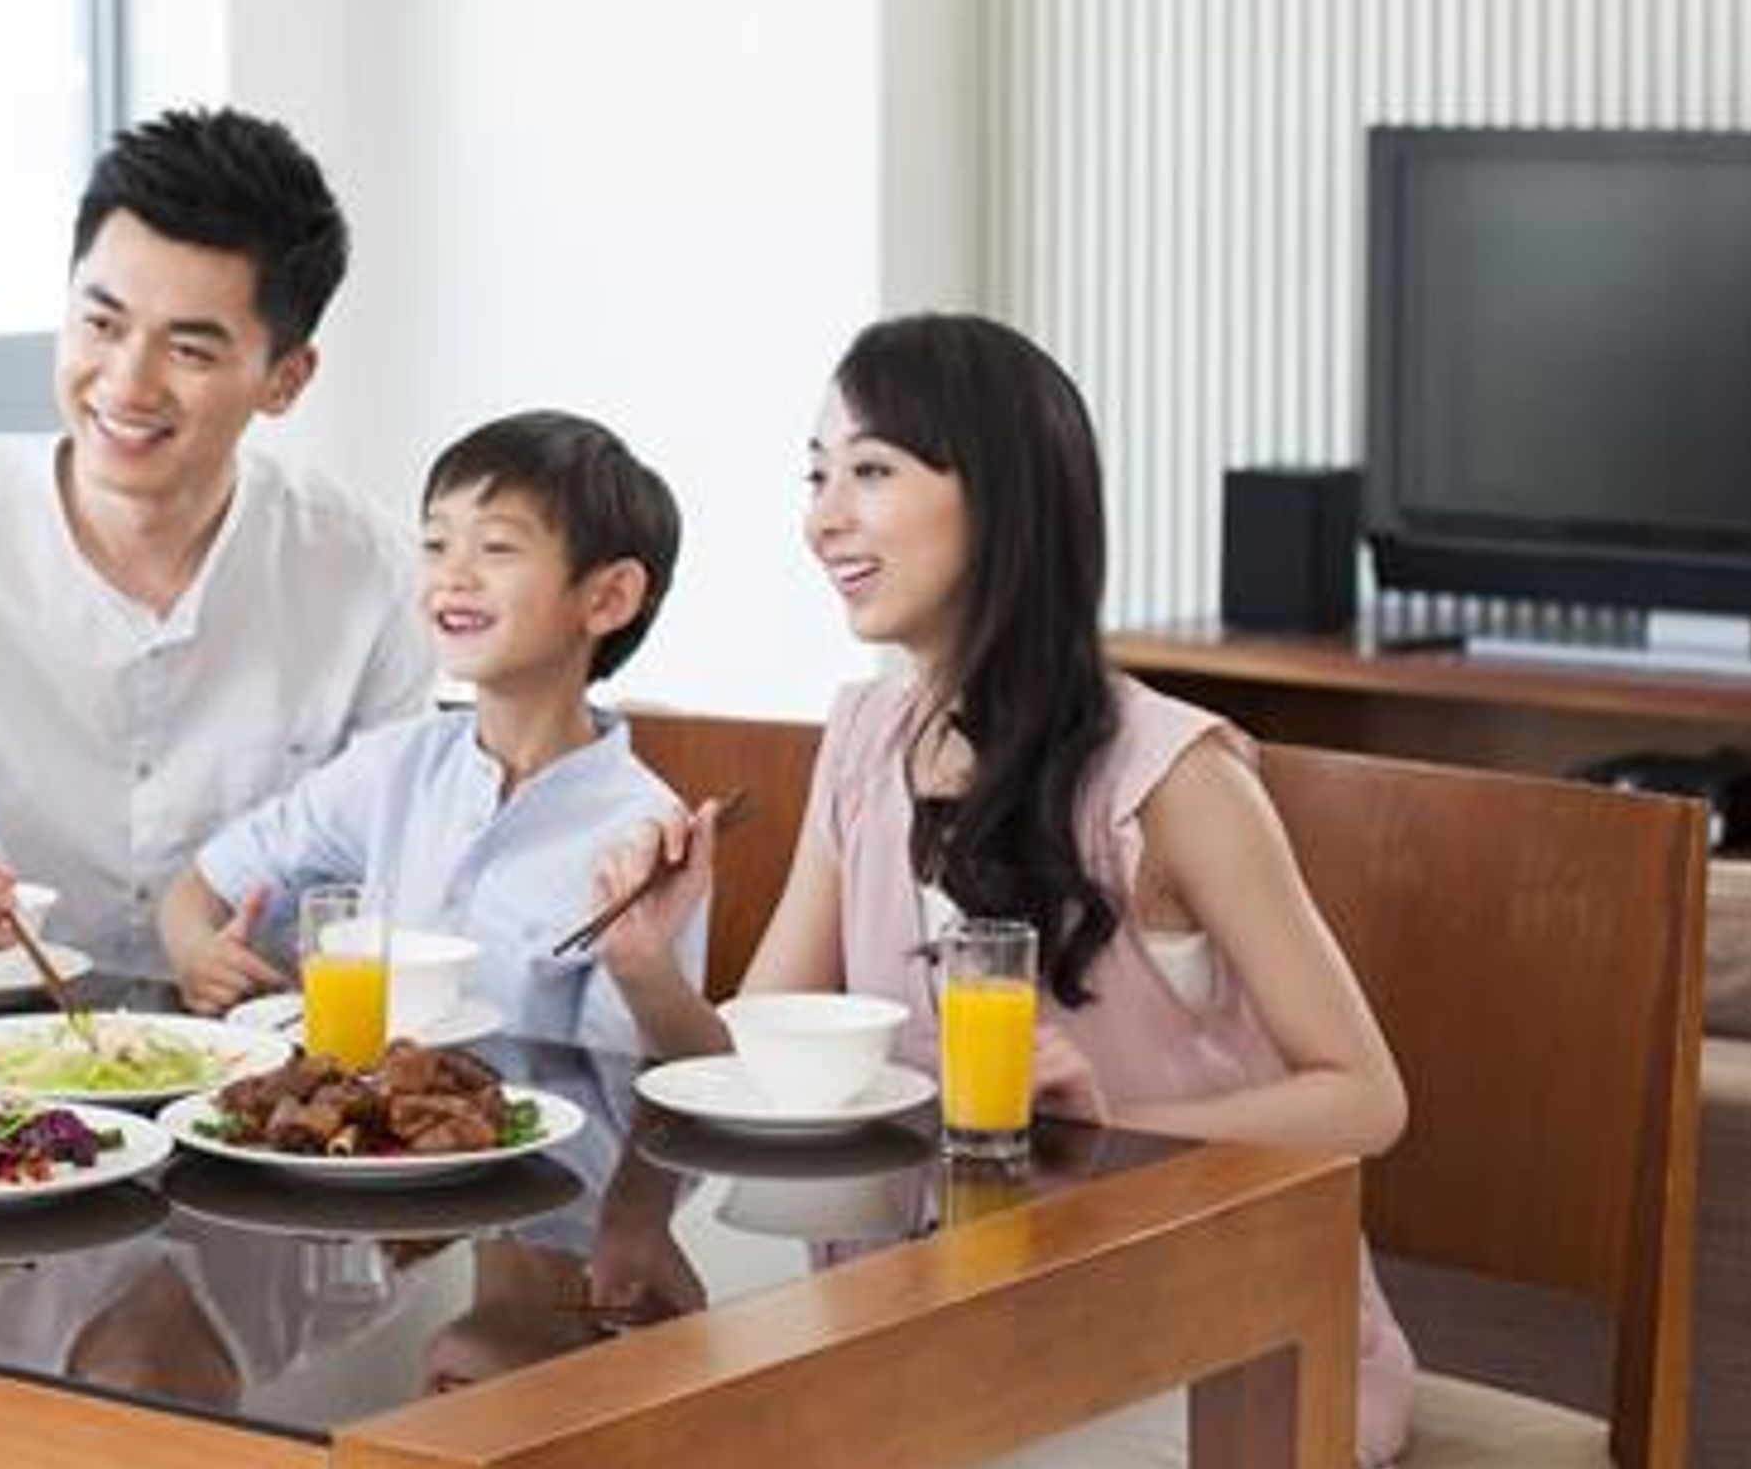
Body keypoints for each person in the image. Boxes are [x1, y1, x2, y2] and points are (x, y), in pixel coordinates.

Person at [582, 314, 1418, 1466]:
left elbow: (1363, 1099)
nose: (824, 518)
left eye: (871, 471)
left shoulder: (1173, 776)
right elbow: (752, 1072)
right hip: (942, 1326)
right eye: (818, 475)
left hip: (1206, 1344)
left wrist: (1110, 1133)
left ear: (1006, 499)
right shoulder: (867, 742)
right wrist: (644, 961)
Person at [0, 108, 429, 977]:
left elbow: (403, 860)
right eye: (101, 325)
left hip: (267, 1061)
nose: (126, 384)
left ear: (285, 380)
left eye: (189, 348)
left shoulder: (365, 571)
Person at [158, 410, 702, 1050]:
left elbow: (627, 1081)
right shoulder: (393, 767)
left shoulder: (645, 834)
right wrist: (198, 955)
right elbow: (195, 892)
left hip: (538, 1147)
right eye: (437, 544)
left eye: (496, 547)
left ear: (608, 598)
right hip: (355, 1130)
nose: (452, 576)